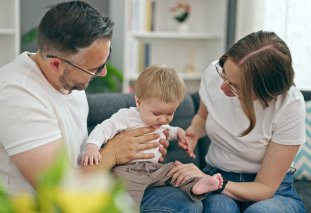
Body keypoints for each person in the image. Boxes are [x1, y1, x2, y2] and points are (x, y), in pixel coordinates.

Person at [0, 1, 202, 212]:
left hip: (83, 192)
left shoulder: (67, 80)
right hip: (41, 205)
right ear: (56, 64)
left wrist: (135, 148)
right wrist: (114, 152)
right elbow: (61, 193)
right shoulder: (17, 96)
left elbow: (78, 158)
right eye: (95, 68)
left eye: (104, 61)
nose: (104, 73)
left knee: (186, 202)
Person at [167, 30, 306, 213]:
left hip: (271, 192)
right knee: (219, 209)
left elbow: (265, 187)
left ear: (265, 93)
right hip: (217, 174)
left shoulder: (290, 105)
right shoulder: (213, 74)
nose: (223, 86)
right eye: (224, 74)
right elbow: (202, 117)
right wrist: (193, 132)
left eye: (235, 86)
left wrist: (216, 183)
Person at [80, 65, 223, 206]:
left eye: (170, 113)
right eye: (157, 114)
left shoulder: (159, 122)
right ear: (139, 102)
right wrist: (92, 147)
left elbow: (169, 130)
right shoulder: (126, 117)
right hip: (129, 170)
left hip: (154, 169)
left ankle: (196, 185)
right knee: (127, 193)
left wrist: (179, 133)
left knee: (176, 170)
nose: (163, 120)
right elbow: (103, 129)